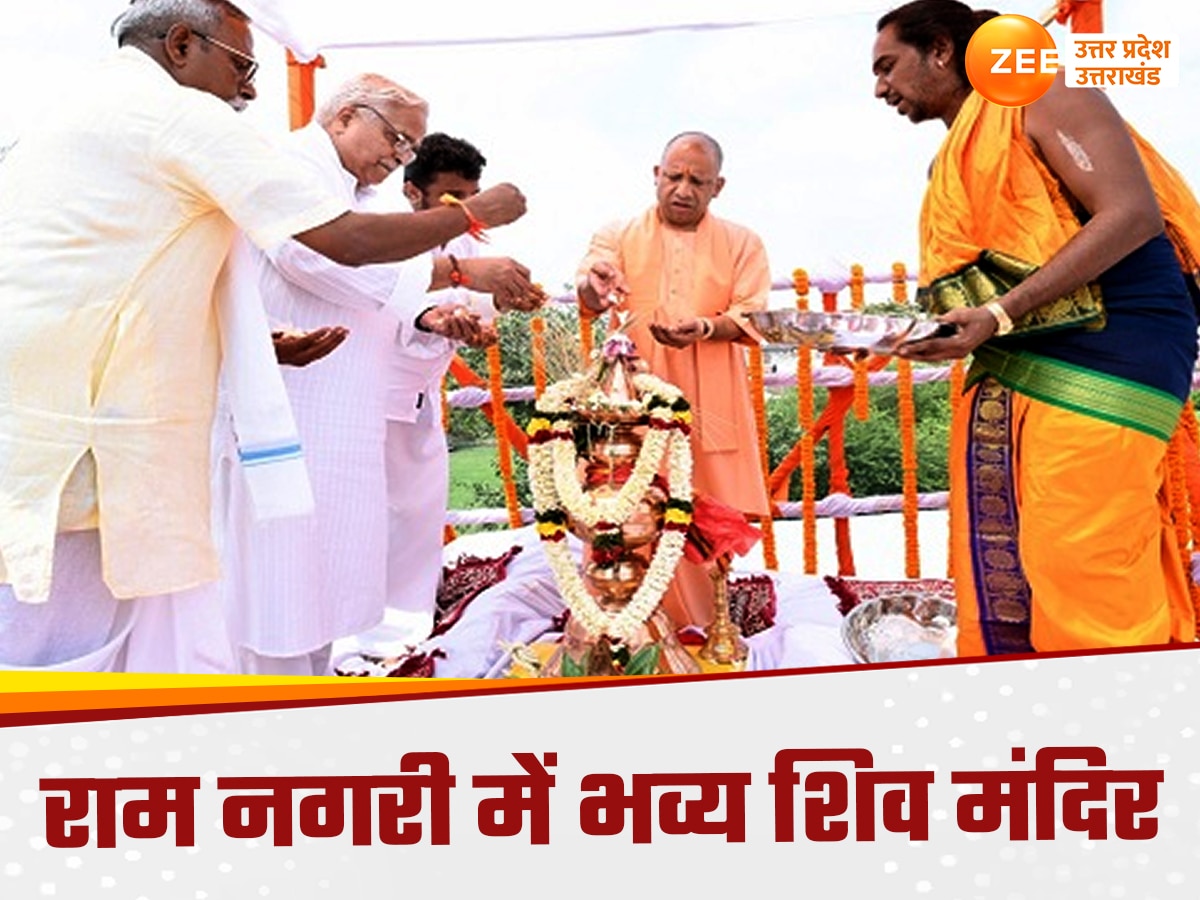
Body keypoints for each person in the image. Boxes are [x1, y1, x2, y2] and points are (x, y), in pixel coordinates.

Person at [0, 0, 534, 673]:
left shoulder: (80, 106)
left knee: (64, 633)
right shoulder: (178, 115)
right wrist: (474, 218)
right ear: (182, 44)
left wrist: (252, 345)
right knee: (67, 646)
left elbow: (127, 271)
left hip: (55, 404)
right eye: (243, 66)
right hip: (89, 419)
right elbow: (344, 243)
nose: (250, 89)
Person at [873, 0, 1200, 655]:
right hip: (1025, 363)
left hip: (1111, 354)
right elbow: (1004, 271)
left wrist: (997, 315)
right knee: (1032, 563)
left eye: (887, 66)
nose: (879, 89)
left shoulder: (1041, 90)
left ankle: (1131, 727)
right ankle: (1047, 723)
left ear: (940, 49)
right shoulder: (959, 153)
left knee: (1082, 558)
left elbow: (1131, 215)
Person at [221, 96, 526, 675]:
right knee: (276, 592)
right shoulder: (294, 164)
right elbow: (328, 259)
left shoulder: (347, 193)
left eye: (409, 146)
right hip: (290, 413)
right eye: (395, 138)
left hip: (340, 415)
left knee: (331, 574)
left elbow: (380, 300)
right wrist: (458, 260)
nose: (399, 155)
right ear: (344, 117)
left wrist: (441, 310)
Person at [576, 131, 772, 629]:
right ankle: (623, 622)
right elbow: (590, 289)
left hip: (710, 396)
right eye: (674, 176)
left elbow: (752, 316)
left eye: (697, 181)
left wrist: (705, 327)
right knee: (624, 505)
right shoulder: (616, 236)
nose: (683, 189)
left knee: (704, 508)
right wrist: (595, 285)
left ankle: (707, 628)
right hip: (630, 403)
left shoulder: (743, 242)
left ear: (717, 187)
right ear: (656, 176)